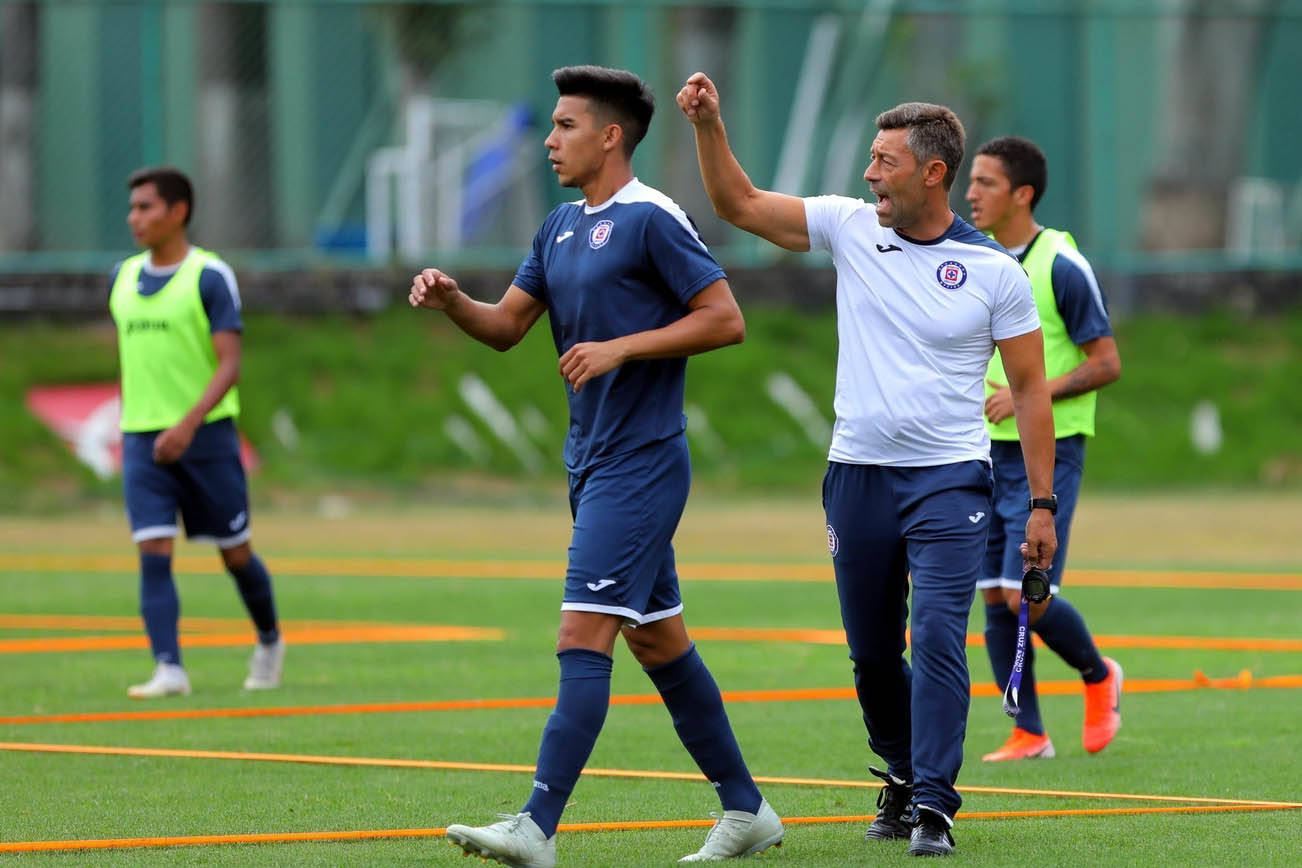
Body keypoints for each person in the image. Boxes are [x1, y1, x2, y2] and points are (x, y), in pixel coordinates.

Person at [677, 73, 1057, 857]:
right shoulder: (851, 227)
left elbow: (1028, 388)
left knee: (939, 636)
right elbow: (739, 205)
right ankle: (899, 770)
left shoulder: (995, 273)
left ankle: (935, 805)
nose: (867, 174)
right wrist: (710, 123)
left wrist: (1043, 505)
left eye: (884, 161)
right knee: (873, 652)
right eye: (870, 160)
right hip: (856, 477)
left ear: (932, 173)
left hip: (952, 479)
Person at [412, 66, 783, 868]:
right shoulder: (557, 227)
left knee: (583, 631)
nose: (549, 140)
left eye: (565, 126)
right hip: (590, 462)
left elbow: (725, 319)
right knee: (659, 643)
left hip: (642, 464)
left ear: (610, 136)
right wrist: (453, 303)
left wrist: (623, 346)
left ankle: (536, 827)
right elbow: (508, 325)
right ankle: (747, 810)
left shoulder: (652, 218)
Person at [965, 136, 1123, 761]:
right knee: (994, 596)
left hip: (1047, 451)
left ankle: (1098, 674)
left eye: (985, 182)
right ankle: (1028, 731)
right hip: (981, 452)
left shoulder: (1061, 263)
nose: (969, 193)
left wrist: (1031, 396)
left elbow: (1107, 362)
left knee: (1022, 591)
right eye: (969, 180)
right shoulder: (972, 259)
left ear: (1021, 194)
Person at [109, 167, 284, 698]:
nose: (133, 217)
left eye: (145, 207)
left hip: (204, 439)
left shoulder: (209, 276)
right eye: (132, 207)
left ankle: (270, 639)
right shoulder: (120, 278)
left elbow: (228, 364)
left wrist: (186, 425)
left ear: (178, 211)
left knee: (235, 553)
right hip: (142, 440)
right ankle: (169, 669)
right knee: (153, 550)